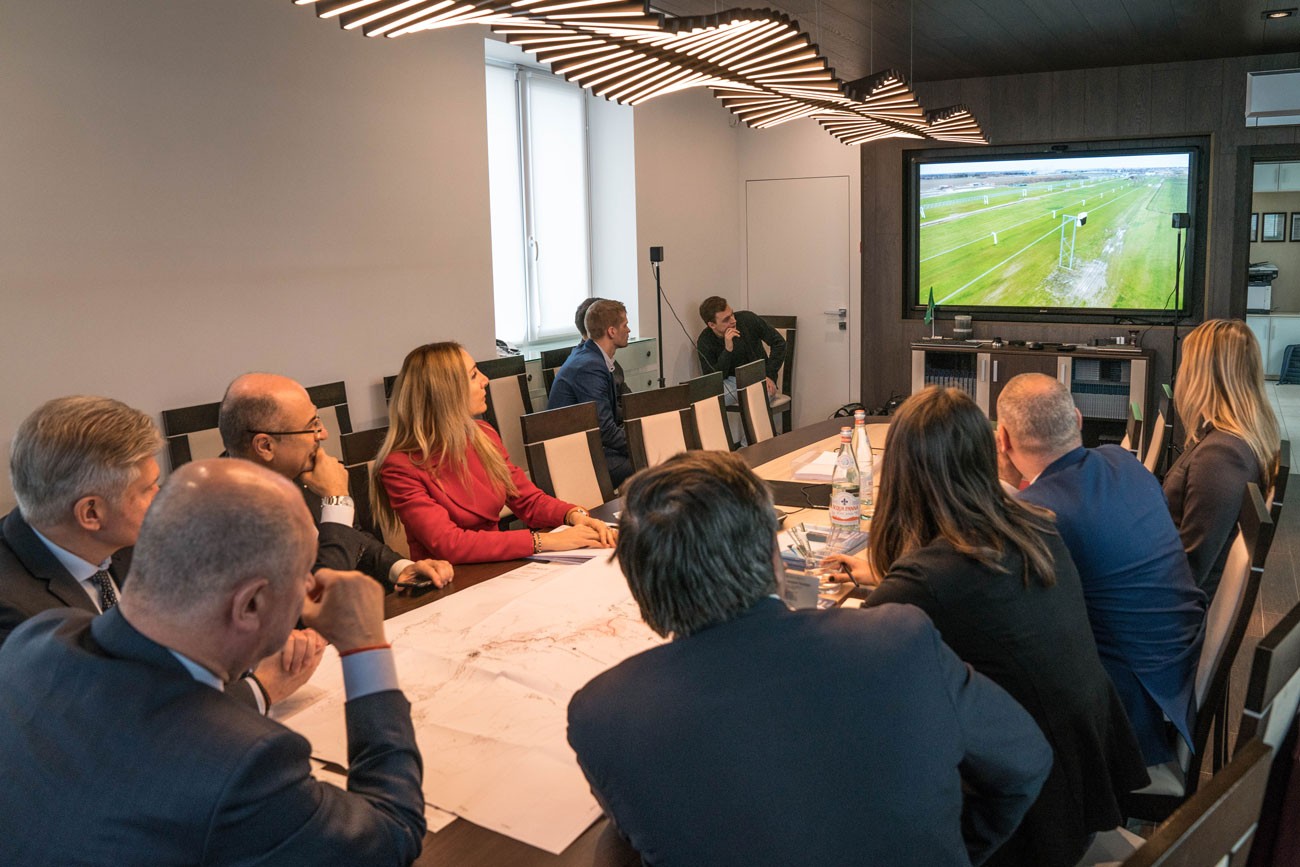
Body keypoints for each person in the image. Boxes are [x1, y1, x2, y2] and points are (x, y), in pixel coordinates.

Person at [568, 450, 1053, 867]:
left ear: (641, 592)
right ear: (775, 559)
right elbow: (1026, 762)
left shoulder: (603, 715)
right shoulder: (898, 640)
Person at [0, 459, 426, 864]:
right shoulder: (243, 762)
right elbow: (391, 836)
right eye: (303, 576)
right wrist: (365, 647)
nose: (311, 586)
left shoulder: (41, 638)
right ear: (251, 603)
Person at [832, 387, 1149, 867]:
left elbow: (842, 678)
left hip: (1024, 825)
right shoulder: (1035, 526)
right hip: (1082, 788)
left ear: (898, 473)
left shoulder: (927, 582)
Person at [0, 395, 320, 711]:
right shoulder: (16, 615)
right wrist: (260, 690)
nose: (161, 496)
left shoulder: (127, 539)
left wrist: (255, 647)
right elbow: (116, 720)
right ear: (91, 514)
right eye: (147, 488)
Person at [996, 373, 1206, 767]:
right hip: (1172, 674)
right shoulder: (1123, 462)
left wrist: (1007, 488)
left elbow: (994, 600)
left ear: (1002, 441)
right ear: (1077, 420)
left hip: (1129, 712)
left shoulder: (1037, 514)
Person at [374, 342, 614, 564]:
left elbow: (527, 500)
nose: (485, 380)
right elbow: (449, 544)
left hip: (498, 565)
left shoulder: (483, 434)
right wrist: (545, 541)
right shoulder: (400, 466)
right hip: (451, 581)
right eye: (473, 375)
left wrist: (573, 514)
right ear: (446, 392)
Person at [219, 373, 454, 591]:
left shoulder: (294, 471)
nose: (323, 434)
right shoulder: (223, 516)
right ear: (266, 446)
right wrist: (337, 501)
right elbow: (316, 599)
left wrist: (401, 568)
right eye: (312, 426)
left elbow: (351, 539)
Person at [1164, 318, 1281, 602]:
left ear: (1205, 375)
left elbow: (1189, 569)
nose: (1181, 373)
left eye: (1186, 364)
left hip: (1166, 617)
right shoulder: (1234, 439)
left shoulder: (1222, 456)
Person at [549, 299, 634, 487]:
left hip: (591, 446)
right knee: (656, 460)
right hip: (577, 456)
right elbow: (605, 431)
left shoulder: (591, 357)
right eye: (625, 325)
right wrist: (642, 442)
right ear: (611, 331)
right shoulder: (590, 366)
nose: (629, 330)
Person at [695, 296, 786, 400]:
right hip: (730, 383)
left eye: (732, 314)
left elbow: (779, 343)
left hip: (758, 378)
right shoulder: (705, 340)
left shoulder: (747, 319)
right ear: (712, 325)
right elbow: (712, 380)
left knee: (760, 395)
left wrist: (769, 375)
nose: (733, 320)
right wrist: (727, 350)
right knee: (705, 400)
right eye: (726, 320)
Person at [575, 296, 629, 395]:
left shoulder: (605, 359)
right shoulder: (589, 368)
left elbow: (629, 399)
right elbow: (601, 409)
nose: (628, 330)